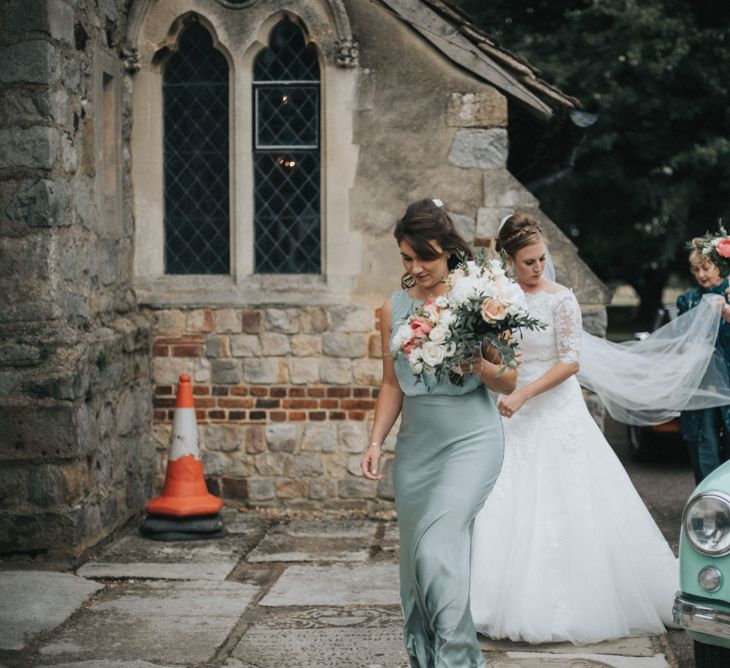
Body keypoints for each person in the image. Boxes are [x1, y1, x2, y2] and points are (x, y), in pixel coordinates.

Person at [469, 212, 678, 645]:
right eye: (528, 261)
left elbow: (571, 361)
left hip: (554, 411)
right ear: (509, 260)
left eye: (542, 258)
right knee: (505, 501)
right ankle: (490, 600)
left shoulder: (561, 298)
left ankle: (574, 602)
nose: (537, 267)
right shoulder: (497, 299)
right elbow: (494, 351)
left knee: (570, 501)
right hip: (510, 411)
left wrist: (526, 394)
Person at [360, 198, 517, 667]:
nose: (416, 268)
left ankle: (460, 661)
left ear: (448, 250)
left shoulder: (479, 300)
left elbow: (508, 378)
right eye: (407, 259)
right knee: (415, 566)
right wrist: (375, 442)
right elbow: (392, 384)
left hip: (471, 440)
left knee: (436, 549)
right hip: (416, 450)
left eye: (424, 257)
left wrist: (477, 364)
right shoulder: (395, 307)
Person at [677, 241, 730, 483]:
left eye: (706, 268)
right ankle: (710, 510)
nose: (701, 275)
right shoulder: (688, 301)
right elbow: (679, 340)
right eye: (696, 270)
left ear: (719, 266)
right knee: (703, 446)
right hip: (700, 387)